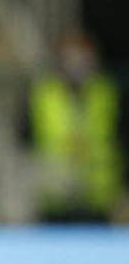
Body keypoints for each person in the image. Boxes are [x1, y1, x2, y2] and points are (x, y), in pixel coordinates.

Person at [30, 31, 124, 223]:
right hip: (55, 195)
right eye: (71, 57)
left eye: (83, 57)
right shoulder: (43, 94)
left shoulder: (107, 93)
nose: (77, 63)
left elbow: (121, 138)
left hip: (99, 196)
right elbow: (25, 140)